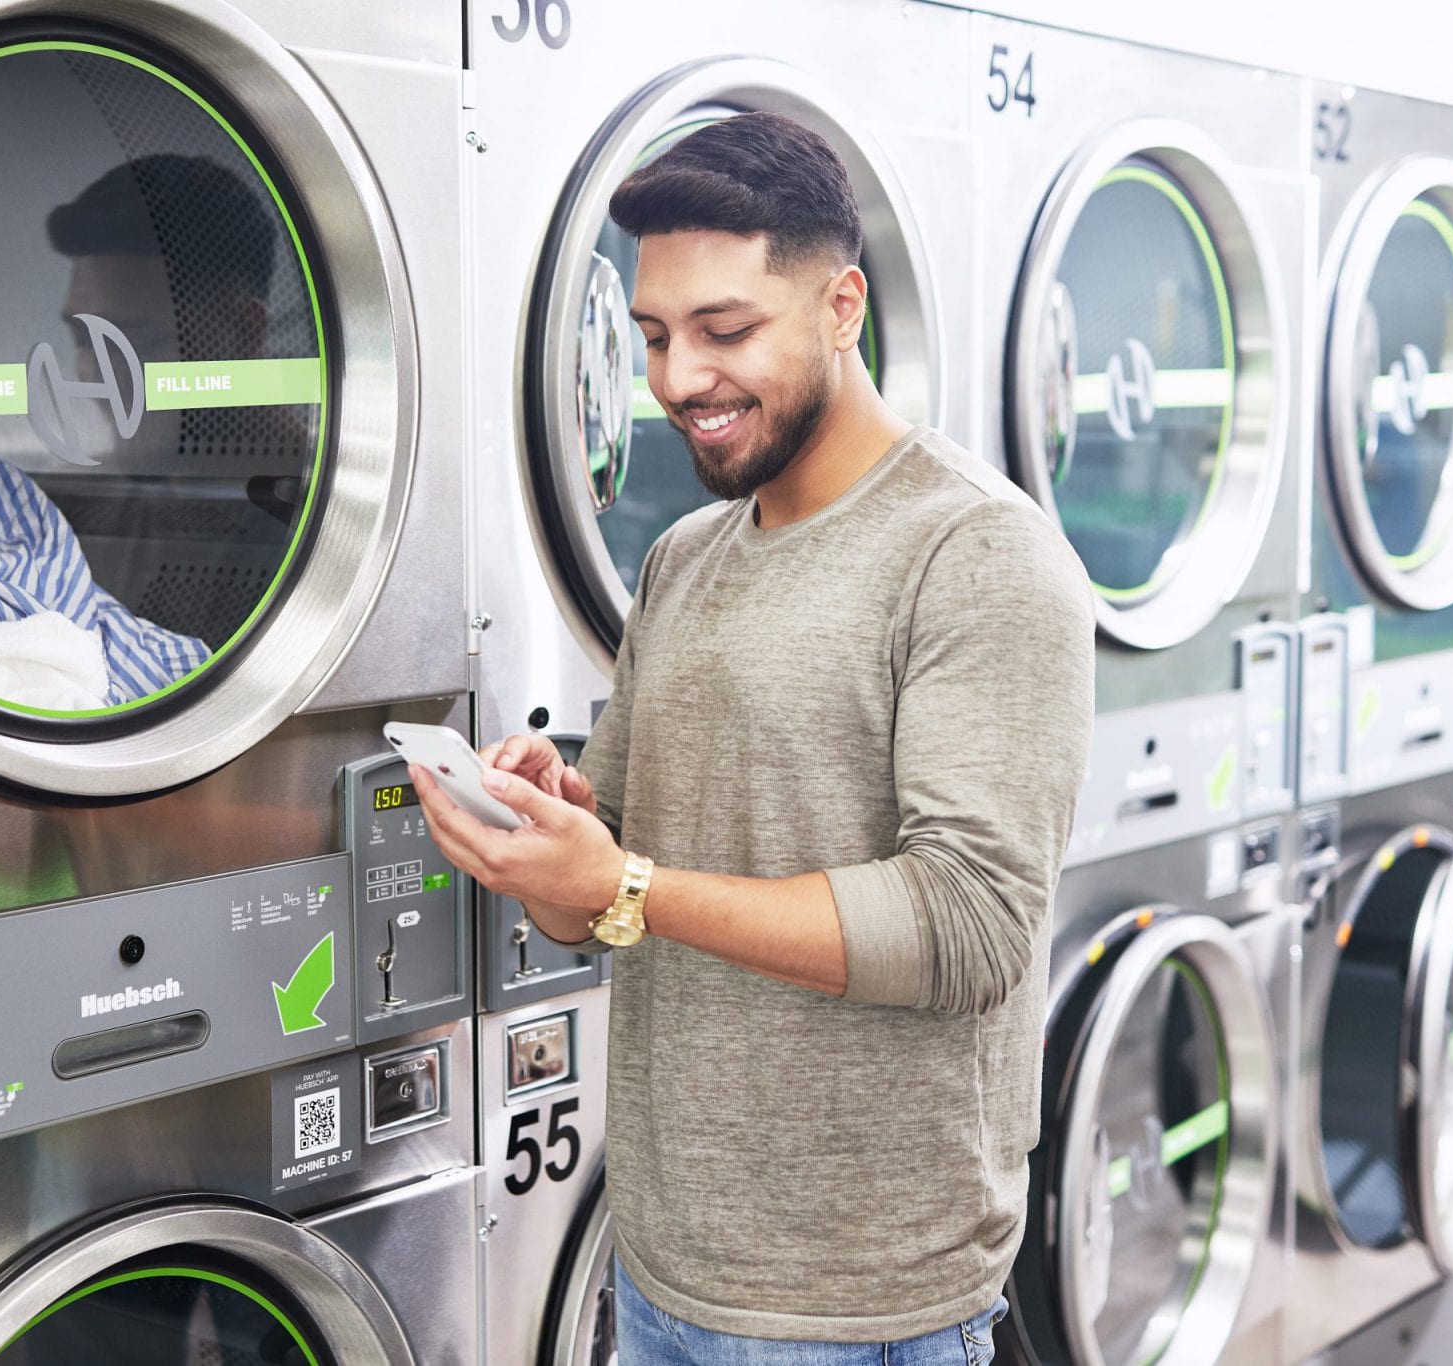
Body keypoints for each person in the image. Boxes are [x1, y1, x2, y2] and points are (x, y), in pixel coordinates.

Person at [412, 112, 1094, 1362]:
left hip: (857, 1300)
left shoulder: (975, 555)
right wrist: (553, 824)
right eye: (655, 338)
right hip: (664, 1256)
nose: (678, 381)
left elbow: (967, 924)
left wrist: (620, 880)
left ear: (840, 306)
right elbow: (606, 891)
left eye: (727, 331)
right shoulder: (685, 556)